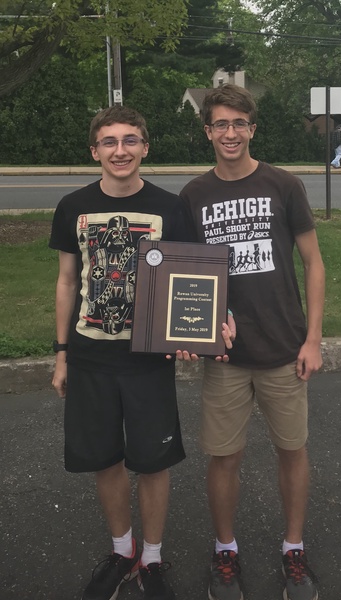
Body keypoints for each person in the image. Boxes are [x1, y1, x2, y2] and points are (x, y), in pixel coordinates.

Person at [179, 84, 325, 600]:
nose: (231, 133)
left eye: (239, 124)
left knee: (293, 450)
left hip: (285, 347)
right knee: (225, 457)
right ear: (208, 132)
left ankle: (293, 548)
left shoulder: (283, 185)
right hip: (225, 357)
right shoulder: (194, 195)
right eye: (220, 124)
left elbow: (313, 262)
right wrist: (194, 330)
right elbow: (188, 275)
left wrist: (313, 338)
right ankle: (225, 550)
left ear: (252, 129)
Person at [50, 105, 195, 600]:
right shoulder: (73, 206)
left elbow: (188, 282)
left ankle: (151, 558)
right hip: (91, 354)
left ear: (145, 148)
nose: (120, 150)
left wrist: (190, 333)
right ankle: (122, 550)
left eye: (130, 140)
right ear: (95, 150)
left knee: (153, 462)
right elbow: (68, 281)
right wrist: (62, 353)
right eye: (109, 142)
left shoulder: (171, 209)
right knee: (105, 458)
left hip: (148, 358)